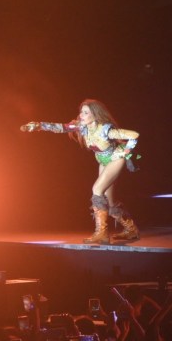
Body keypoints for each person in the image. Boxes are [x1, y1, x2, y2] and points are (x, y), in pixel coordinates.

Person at [20, 99, 140, 244]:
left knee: (96, 190)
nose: (81, 115)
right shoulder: (82, 127)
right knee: (109, 202)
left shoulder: (106, 130)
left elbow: (134, 135)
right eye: (81, 112)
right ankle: (131, 230)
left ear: (95, 115)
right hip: (103, 161)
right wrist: (39, 125)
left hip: (115, 159)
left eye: (86, 113)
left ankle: (101, 233)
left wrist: (124, 153)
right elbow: (62, 127)